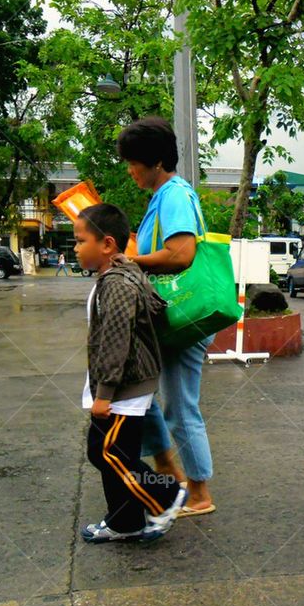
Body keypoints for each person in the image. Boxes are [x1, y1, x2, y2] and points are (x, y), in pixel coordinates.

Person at [118, 116, 217, 517]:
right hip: (165, 317)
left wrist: (131, 261)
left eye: (133, 162)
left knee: (179, 406)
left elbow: (181, 253)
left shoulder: (174, 195)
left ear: (156, 162)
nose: (130, 170)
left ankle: (199, 492)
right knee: (139, 392)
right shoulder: (162, 197)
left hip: (180, 319)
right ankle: (168, 470)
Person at [73, 202, 188, 543]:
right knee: (113, 454)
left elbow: (116, 341)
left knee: (106, 453)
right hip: (123, 387)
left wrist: (104, 394)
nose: (75, 248)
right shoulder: (117, 274)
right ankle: (125, 522)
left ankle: (166, 496)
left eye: (80, 241)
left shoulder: (118, 283)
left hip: (123, 388)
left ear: (107, 244)